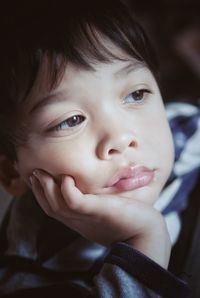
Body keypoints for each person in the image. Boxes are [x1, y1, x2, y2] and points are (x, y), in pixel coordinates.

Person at [0, 0, 193, 297]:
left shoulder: (187, 133)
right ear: (12, 171)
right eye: (71, 121)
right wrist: (144, 241)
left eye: (136, 94)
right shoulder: (30, 279)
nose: (120, 138)